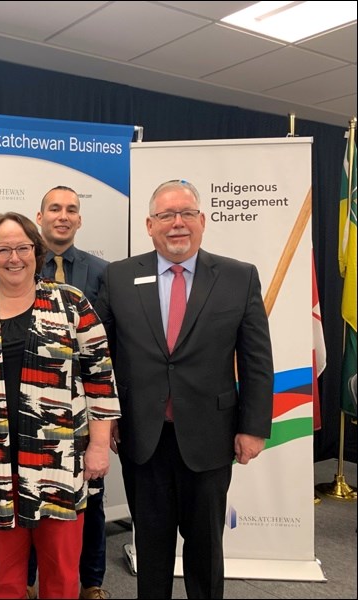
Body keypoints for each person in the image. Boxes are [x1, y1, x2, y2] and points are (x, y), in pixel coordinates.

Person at [94, 179, 274, 599]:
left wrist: (254, 427)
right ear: (149, 225)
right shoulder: (119, 276)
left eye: (186, 213)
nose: (177, 224)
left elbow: (257, 361)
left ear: (202, 221)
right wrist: (105, 420)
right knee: (151, 548)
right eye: (166, 216)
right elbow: (100, 357)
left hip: (211, 436)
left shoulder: (238, 276)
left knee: (206, 548)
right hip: (143, 436)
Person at [0, 212, 120, 600]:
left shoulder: (71, 303)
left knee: (60, 571)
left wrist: (100, 446)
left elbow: (100, 380)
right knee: (4, 574)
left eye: (22, 248)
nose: (13, 258)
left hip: (60, 463)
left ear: (37, 253)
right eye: (2, 249)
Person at [27, 185, 111, 600]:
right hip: (29, 409)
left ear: (79, 219)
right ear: (39, 216)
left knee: (91, 500)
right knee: (28, 501)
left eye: (71, 210)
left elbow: (108, 350)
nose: (63, 215)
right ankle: (26, 582)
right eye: (54, 208)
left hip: (83, 410)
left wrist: (107, 420)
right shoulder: (19, 263)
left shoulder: (102, 272)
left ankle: (92, 582)